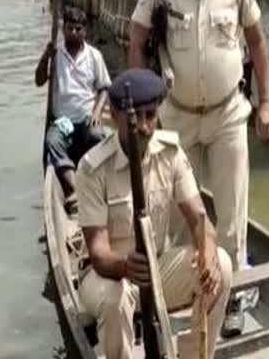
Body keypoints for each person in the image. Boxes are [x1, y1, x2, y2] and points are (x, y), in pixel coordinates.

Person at [127, 0, 269, 337]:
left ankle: (229, 301)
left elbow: (257, 43)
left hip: (229, 111)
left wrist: (266, 103)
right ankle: (175, 295)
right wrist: (139, 110)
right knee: (172, 215)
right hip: (176, 115)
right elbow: (136, 40)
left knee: (231, 216)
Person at [76, 68, 232, 359]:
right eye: (138, 117)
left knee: (221, 265)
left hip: (155, 267)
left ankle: (196, 356)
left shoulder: (169, 153)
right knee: (115, 299)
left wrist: (207, 250)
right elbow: (98, 253)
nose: (146, 126)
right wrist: (126, 266)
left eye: (152, 115)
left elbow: (199, 218)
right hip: (107, 276)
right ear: (116, 116)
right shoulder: (92, 169)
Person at [35, 7, 111, 213]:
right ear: (63, 29)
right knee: (52, 141)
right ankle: (73, 188)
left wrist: (96, 113)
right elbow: (39, 80)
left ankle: (102, 187)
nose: (74, 33)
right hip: (63, 121)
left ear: (84, 30)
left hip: (87, 117)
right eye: (69, 29)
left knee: (101, 138)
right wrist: (45, 57)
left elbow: (104, 88)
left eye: (78, 29)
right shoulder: (56, 54)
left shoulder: (94, 56)